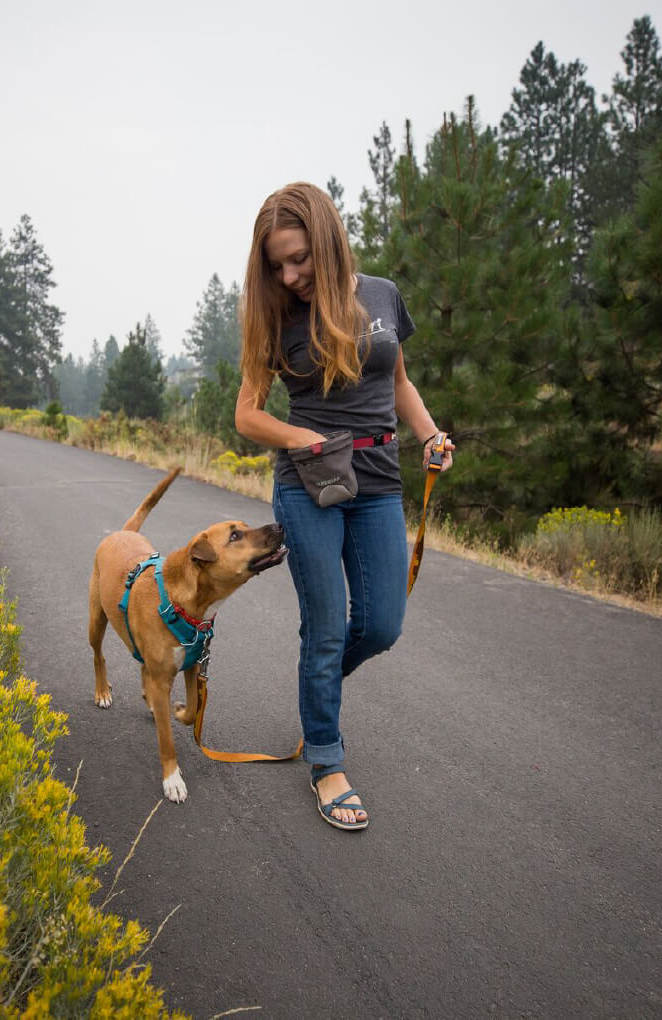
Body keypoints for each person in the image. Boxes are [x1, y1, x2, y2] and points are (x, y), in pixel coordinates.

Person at [234, 181, 454, 831]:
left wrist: (430, 434)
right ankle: (326, 759)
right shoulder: (276, 316)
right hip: (312, 485)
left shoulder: (382, 295)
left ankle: (316, 689)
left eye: (299, 258)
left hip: (379, 483)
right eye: (276, 264)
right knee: (327, 627)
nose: (289, 274)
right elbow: (247, 415)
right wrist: (299, 435)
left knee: (382, 623)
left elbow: (398, 380)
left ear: (327, 242)